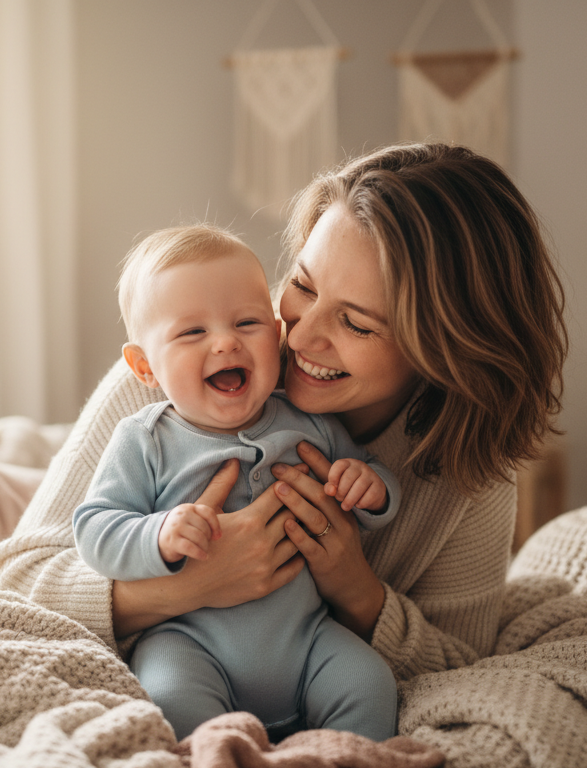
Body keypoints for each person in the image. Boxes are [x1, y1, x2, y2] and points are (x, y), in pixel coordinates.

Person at [0, 142, 566, 709]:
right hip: (186, 659)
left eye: (356, 324)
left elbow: (464, 664)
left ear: (444, 352)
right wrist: (191, 586)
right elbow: (9, 589)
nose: (301, 336)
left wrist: (355, 590)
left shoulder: (471, 476)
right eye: (303, 287)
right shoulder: (174, 372)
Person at [72, 224, 400, 741]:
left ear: (274, 335)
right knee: (169, 695)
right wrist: (158, 536)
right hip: (190, 642)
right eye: (192, 332)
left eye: (246, 323)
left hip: (308, 640)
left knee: (371, 685)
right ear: (143, 366)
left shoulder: (310, 423)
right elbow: (94, 527)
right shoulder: (145, 439)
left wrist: (370, 486)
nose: (225, 341)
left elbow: (376, 478)